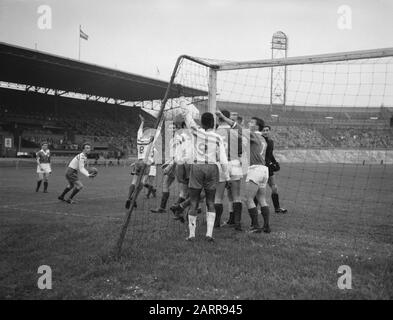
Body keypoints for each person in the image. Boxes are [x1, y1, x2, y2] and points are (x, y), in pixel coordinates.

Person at [216, 112, 271, 233]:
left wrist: (224, 117)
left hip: (255, 169)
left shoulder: (254, 135)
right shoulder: (263, 138)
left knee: (248, 199)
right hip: (264, 170)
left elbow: (237, 127)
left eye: (251, 122)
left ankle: (255, 226)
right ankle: (266, 226)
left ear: (256, 126)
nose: (249, 124)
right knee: (262, 199)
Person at [182, 108, 229, 242]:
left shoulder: (196, 132)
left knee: (194, 201)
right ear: (213, 124)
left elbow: (188, 119)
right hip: (212, 168)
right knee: (210, 201)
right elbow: (223, 159)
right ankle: (209, 234)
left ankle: (191, 235)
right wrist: (227, 176)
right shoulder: (218, 137)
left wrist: (183, 103)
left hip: (197, 167)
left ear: (202, 123)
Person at [214, 110, 244, 228]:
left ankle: (216, 222)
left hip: (221, 164)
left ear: (218, 119)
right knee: (236, 195)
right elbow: (241, 149)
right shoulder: (236, 132)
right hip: (235, 163)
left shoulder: (215, 132)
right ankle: (237, 223)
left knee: (218, 196)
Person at [125, 114, 155, 209]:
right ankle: (133, 198)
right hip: (146, 163)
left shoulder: (139, 139)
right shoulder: (150, 141)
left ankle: (128, 197)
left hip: (138, 162)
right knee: (142, 181)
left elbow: (139, 131)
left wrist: (142, 122)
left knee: (134, 181)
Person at [261, 125, 287, 214]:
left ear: (269, 131)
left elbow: (270, 154)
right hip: (260, 167)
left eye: (267, 130)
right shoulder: (259, 141)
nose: (265, 132)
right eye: (263, 130)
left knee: (274, 187)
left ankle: (277, 208)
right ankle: (255, 208)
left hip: (269, 168)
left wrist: (274, 162)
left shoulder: (271, 142)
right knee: (259, 189)